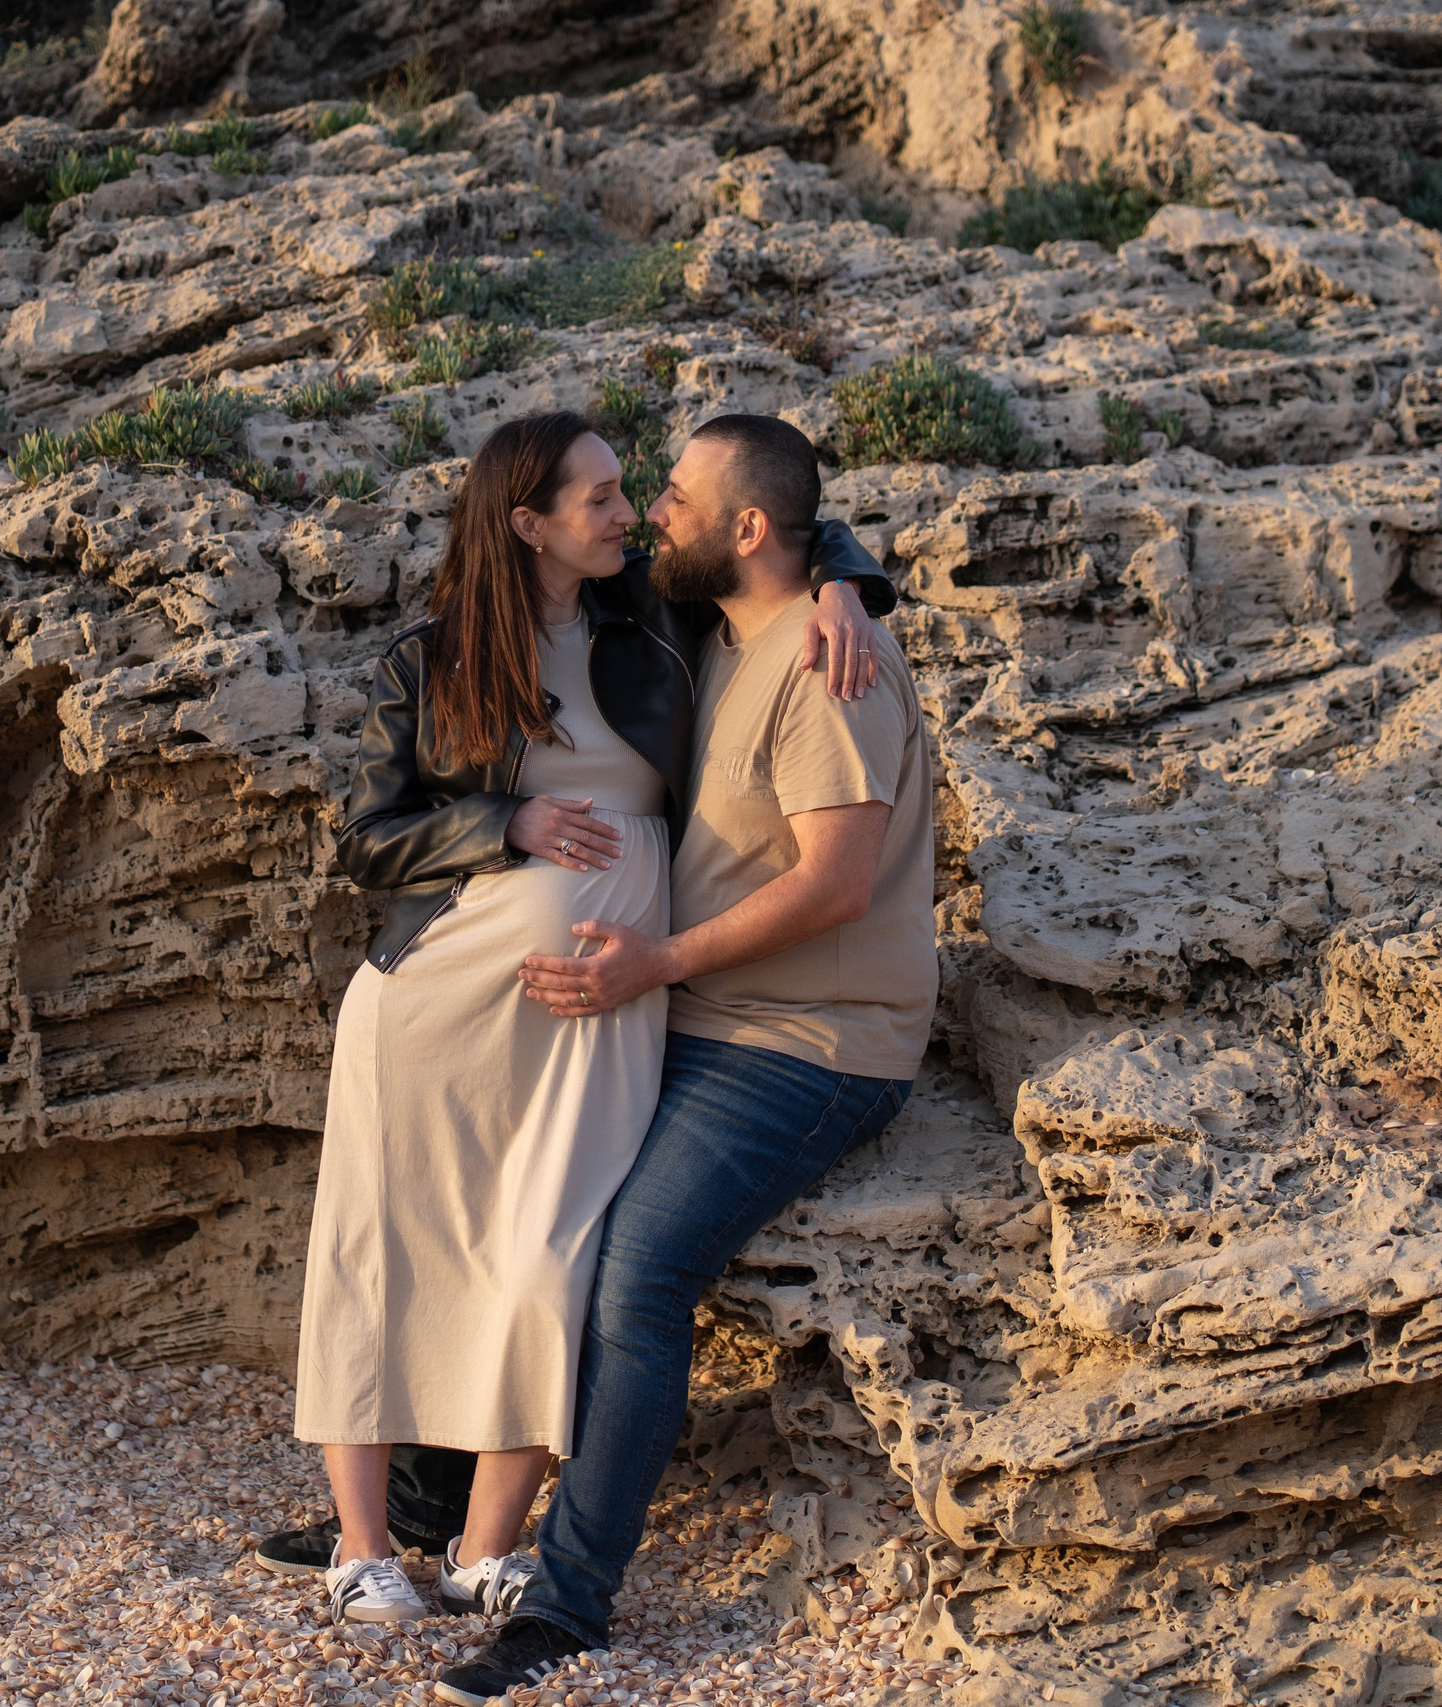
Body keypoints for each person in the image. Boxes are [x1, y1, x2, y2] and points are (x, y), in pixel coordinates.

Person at [262, 410, 897, 1625]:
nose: (629, 514)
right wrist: (503, 823)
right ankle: (363, 1548)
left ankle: (483, 1551)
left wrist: (846, 587)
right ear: (527, 524)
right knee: (380, 1243)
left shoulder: (654, 615)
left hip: (604, 1001)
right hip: (440, 997)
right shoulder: (428, 658)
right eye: (601, 498)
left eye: (628, 494)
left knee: (550, 1251)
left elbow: (774, 527)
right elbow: (362, 837)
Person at [431, 414, 937, 1702]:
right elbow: (810, 534)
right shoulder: (719, 627)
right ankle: (423, 1507)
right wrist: (841, 569)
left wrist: (652, 963)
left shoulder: (835, 669)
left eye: (674, 494)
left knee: (638, 1269)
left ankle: (568, 1605)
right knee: (528, 1201)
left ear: (747, 530)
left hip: (809, 1044)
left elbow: (836, 883)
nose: (653, 510)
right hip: (701, 1020)